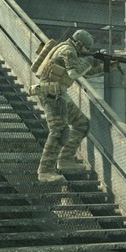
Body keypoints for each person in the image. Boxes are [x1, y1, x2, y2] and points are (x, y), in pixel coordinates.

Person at [31, 29, 102, 183]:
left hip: (59, 93)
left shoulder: (68, 49)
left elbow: (86, 73)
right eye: (86, 48)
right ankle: (45, 171)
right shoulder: (68, 51)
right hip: (52, 94)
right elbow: (74, 73)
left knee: (81, 123)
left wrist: (109, 66)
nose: (86, 51)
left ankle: (65, 160)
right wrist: (89, 61)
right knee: (59, 131)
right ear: (79, 43)